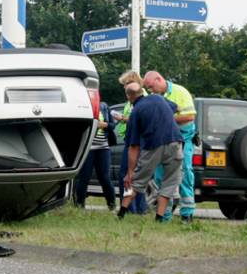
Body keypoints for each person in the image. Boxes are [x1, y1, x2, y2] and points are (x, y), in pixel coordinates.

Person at [118, 82, 183, 222]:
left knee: (135, 181)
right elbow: (177, 107)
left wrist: (129, 173)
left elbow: (133, 147)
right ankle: (159, 218)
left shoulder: (135, 112)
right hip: (175, 142)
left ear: (129, 96)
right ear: (142, 91)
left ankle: (121, 214)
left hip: (153, 146)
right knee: (170, 183)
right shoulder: (158, 98)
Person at [143, 71, 197, 222]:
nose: (150, 91)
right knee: (161, 177)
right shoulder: (153, 97)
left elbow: (190, 116)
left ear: (159, 79)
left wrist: (166, 118)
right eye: (148, 88)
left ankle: (187, 213)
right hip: (162, 141)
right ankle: (164, 214)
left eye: (152, 87)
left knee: (185, 173)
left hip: (183, 140)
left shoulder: (180, 92)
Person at [74, 98, 116, 209]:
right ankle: (79, 205)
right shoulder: (83, 108)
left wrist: (104, 125)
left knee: (104, 177)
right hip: (88, 148)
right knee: (84, 177)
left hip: (103, 147)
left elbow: (112, 125)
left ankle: (112, 205)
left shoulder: (104, 107)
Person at [110, 70, 142, 212]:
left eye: (126, 84)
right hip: (129, 138)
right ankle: (137, 208)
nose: (124, 87)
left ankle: (131, 208)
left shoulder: (140, 98)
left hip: (135, 140)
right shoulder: (131, 100)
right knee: (133, 175)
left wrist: (122, 118)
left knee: (128, 175)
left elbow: (138, 119)